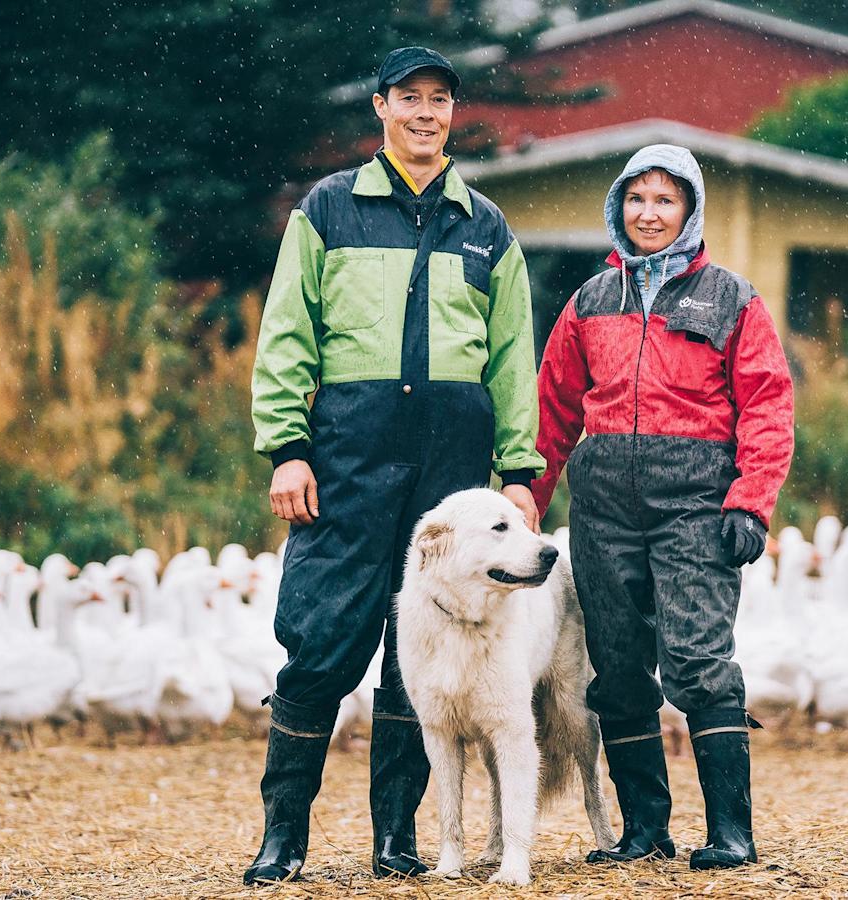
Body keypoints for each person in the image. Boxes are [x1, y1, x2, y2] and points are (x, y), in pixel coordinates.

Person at [245, 46, 542, 883]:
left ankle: (398, 840)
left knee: (427, 662)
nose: (424, 113)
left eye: (439, 100)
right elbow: (286, 336)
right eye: (408, 97)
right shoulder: (329, 210)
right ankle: (283, 839)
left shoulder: (486, 228)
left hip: (449, 478)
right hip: (345, 465)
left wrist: (518, 470)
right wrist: (288, 449)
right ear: (379, 107)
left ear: (452, 113)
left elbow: (514, 357)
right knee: (318, 646)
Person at [530, 145, 794, 870]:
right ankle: (645, 830)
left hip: (696, 503)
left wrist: (751, 500)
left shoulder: (730, 298)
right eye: (636, 199)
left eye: (664, 200)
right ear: (619, 207)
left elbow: (767, 404)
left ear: (690, 211)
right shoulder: (590, 301)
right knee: (615, 669)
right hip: (604, 504)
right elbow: (552, 410)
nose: (649, 213)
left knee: (700, 662)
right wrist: (528, 496)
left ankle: (731, 833)